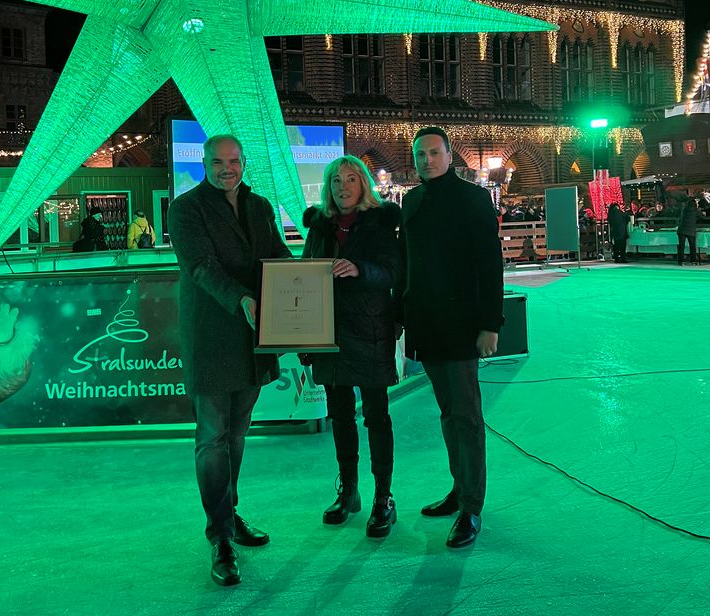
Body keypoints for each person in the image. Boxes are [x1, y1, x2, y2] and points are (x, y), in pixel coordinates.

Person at [168, 135, 290, 587]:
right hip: (213, 336)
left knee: (237, 433)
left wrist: (308, 281)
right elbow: (201, 266)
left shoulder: (259, 206)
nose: (226, 169)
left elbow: (277, 256)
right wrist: (240, 297)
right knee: (212, 437)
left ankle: (230, 513)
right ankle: (219, 536)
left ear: (243, 162)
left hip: (254, 336)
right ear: (204, 164)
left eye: (233, 161)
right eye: (217, 162)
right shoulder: (186, 208)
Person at [397, 126, 503, 550]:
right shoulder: (412, 201)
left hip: (461, 325)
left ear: (449, 155)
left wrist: (490, 324)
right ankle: (459, 490)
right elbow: (407, 262)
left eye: (433, 153)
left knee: (466, 416)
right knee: (447, 412)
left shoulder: (473, 198)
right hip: (426, 323)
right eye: (420, 155)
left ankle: (472, 507)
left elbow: (489, 265)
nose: (426, 160)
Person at [301, 156, 401, 538]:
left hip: (369, 331)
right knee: (340, 417)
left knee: (376, 416)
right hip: (328, 334)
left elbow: (394, 272)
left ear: (363, 185)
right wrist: (302, 333)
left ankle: (383, 497)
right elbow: (305, 276)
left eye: (350, 179)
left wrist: (360, 269)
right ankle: (349, 490)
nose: (343, 187)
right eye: (336, 181)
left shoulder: (379, 223)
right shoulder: (319, 226)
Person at [676, 196, 699, 265]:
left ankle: (681, 261)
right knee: (692, 246)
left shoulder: (684, 210)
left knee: (681, 246)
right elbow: (703, 217)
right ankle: (693, 261)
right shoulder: (696, 211)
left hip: (681, 230)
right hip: (691, 230)